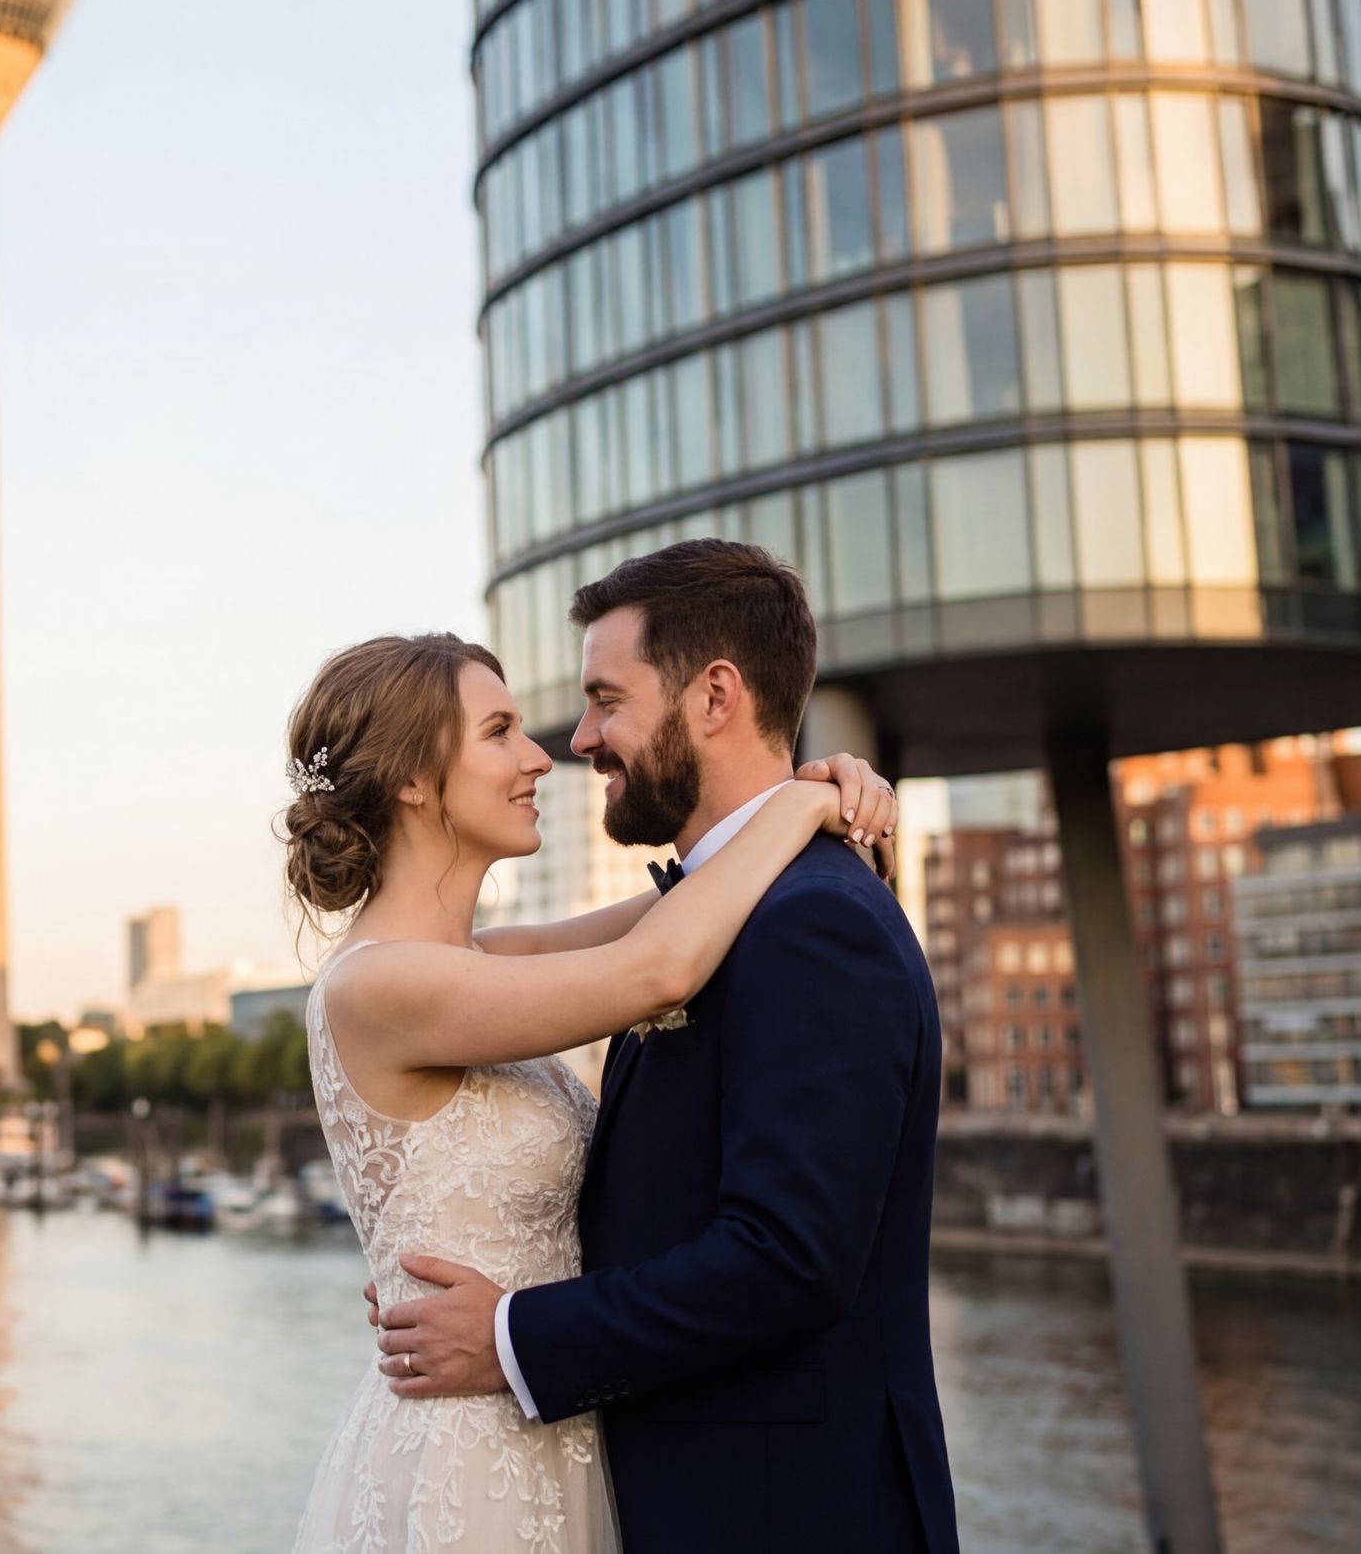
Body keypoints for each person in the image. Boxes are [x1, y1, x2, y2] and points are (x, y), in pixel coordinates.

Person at [364, 541, 960, 1552]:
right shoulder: (710, 918)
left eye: (607, 699)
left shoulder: (815, 922)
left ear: (714, 697)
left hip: (785, 1519)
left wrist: (510, 1335)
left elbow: (788, 1259)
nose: (580, 737)